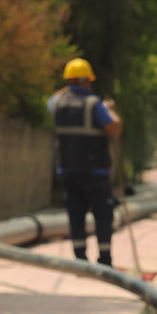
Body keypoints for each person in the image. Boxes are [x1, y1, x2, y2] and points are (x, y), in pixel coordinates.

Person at [47, 57, 123, 265]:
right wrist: (112, 111)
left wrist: (68, 87)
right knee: (102, 214)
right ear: (85, 81)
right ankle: (104, 258)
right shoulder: (94, 104)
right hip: (95, 170)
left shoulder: (57, 104)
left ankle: (80, 259)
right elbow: (114, 129)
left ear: (68, 82)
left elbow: (51, 99)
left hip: (67, 169)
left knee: (76, 214)